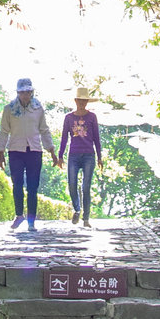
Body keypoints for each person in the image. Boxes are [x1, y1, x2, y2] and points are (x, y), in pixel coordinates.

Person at [0, 76, 59, 231]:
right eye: (22, 92)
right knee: (17, 184)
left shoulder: (38, 108)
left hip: (34, 150)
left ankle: (31, 221)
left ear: (32, 92)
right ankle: (19, 215)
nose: (25, 95)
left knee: (32, 186)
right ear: (18, 93)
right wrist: (1, 152)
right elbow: (4, 131)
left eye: (28, 92)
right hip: (16, 150)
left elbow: (44, 130)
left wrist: (51, 150)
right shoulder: (9, 109)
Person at [59, 86, 103, 227]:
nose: (82, 103)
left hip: (89, 155)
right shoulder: (69, 118)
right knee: (72, 184)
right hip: (73, 154)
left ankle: (86, 218)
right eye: (80, 100)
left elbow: (96, 138)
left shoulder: (92, 117)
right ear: (75, 100)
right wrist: (60, 156)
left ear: (87, 102)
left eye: (85, 101)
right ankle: (77, 209)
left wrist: (100, 157)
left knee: (86, 187)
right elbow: (64, 138)